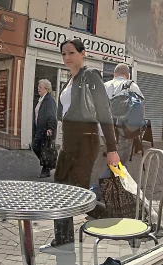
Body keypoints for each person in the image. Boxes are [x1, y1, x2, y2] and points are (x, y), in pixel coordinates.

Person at [44, 38, 120, 249]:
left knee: (76, 193)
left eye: (71, 53)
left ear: (82, 53)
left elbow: (104, 112)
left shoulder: (90, 75)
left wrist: (112, 149)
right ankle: (63, 240)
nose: (67, 57)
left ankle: (113, 217)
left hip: (85, 140)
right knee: (62, 191)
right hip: (69, 142)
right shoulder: (71, 80)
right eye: (64, 54)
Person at [104, 63, 146, 163]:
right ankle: (118, 177)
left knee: (110, 158)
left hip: (104, 129)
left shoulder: (104, 85)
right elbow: (141, 107)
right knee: (121, 163)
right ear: (128, 76)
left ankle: (110, 175)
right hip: (123, 130)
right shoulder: (132, 86)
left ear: (114, 74)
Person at [32, 79, 58, 178]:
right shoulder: (41, 99)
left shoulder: (49, 100)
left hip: (45, 130)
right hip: (39, 129)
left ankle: (46, 168)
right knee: (36, 147)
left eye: (40, 87)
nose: (38, 89)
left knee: (43, 149)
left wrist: (50, 128)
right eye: (38, 87)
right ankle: (47, 165)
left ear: (46, 88)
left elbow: (52, 116)